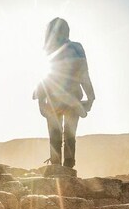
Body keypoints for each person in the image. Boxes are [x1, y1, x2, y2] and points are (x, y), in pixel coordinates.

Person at [33, 18, 95, 169]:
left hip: (56, 100)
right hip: (71, 99)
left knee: (57, 136)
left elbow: (45, 76)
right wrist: (90, 96)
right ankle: (66, 167)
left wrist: (41, 100)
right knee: (68, 135)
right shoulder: (75, 47)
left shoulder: (49, 50)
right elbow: (83, 73)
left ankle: (58, 168)